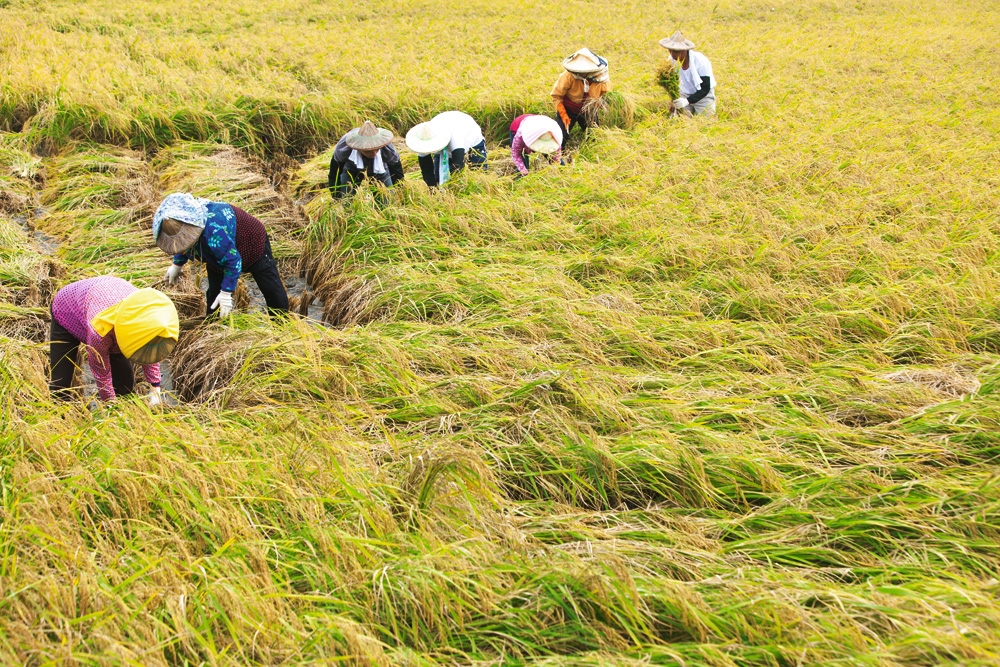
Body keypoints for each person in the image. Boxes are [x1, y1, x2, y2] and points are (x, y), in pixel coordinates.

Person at [154, 192, 289, 318]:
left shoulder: (213, 233)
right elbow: (182, 243)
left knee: (270, 287)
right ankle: (213, 328)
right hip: (218, 249)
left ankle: (282, 324)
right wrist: (177, 264)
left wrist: (226, 293)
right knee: (214, 293)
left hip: (250, 241)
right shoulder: (186, 221)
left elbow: (233, 262)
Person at [49, 276, 179, 404]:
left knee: (125, 387)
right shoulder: (100, 331)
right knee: (60, 384)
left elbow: (149, 349)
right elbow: (101, 373)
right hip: (66, 308)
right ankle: (58, 420)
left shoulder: (144, 315)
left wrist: (155, 388)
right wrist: (110, 405)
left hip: (107, 297)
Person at [405, 111, 487, 188]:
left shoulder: (456, 138)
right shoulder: (424, 138)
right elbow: (426, 170)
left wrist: (452, 192)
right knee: (439, 178)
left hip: (472, 141)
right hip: (448, 142)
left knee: (477, 177)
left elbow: (458, 167)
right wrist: (433, 189)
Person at [550, 48, 611, 148]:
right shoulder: (569, 76)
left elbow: (606, 95)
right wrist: (563, 114)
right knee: (560, 139)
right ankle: (558, 159)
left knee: (595, 137)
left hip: (588, 111)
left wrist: (598, 104)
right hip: (568, 109)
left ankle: (591, 155)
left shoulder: (601, 78)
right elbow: (556, 95)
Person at [328, 121, 404, 198]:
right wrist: (336, 196)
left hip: (380, 169)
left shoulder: (387, 149)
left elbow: (397, 174)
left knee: (387, 200)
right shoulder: (344, 148)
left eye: (376, 148)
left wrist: (402, 193)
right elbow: (334, 174)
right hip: (352, 169)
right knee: (346, 199)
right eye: (368, 151)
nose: (374, 153)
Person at [659, 31, 716, 116]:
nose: (672, 54)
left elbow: (705, 88)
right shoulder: (671, 61)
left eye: (675, 51)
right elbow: (672, 83)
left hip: (703, 96)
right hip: (684, 93)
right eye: (670, 50)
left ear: (683, 50)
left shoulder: (700, 61)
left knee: (707, 123)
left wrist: (687, 101)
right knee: (680, 121)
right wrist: (674, 101)